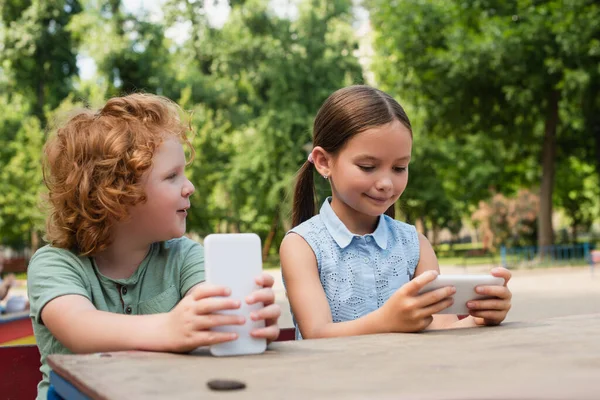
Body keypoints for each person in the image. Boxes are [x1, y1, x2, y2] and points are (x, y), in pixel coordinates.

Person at [28, 93, 281, 399]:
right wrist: (170, 329)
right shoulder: (55, 264)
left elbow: (208, 305)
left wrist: (239, 321)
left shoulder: (185, 256)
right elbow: (80, 329)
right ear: (117, 197)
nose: (190, 187)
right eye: (172, 176)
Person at [280, 85, 512, 340]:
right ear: (324, 162)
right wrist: (387, 321)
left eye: (399, 168)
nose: (386, 183)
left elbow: (442, 327)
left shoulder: (414, 244)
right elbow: (317, 333)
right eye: (368, 167)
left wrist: (480, 318)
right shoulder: (302, 246)